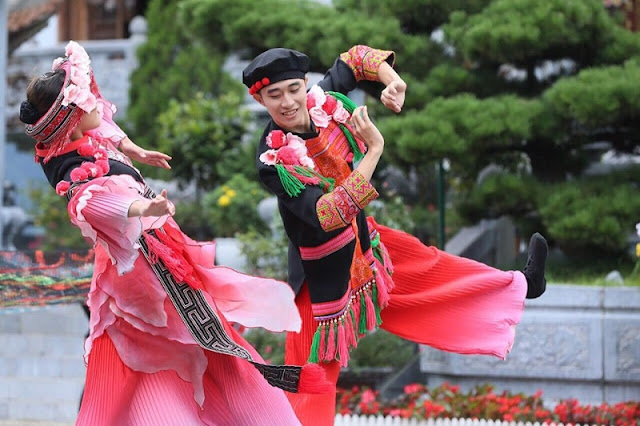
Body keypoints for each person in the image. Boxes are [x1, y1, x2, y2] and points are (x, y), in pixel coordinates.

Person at [19, 41, 327, 426]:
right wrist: (143, 208)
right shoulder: (75, 175)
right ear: (72, 120)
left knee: (223, 357)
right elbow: (93, 204)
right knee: (155, 371)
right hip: (138, 281)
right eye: (87, 102)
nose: (97, 101)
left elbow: (108, 127)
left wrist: (137, 150)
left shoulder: (87, 137)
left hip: (168, 262)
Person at [242, 45, 548, 425]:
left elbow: (354, 60)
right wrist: (374, 149)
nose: (288, 102)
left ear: (305, 84)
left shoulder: (322, 101)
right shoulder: (272, 161)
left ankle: (521, 286)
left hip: (366, 242)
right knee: (312, 380)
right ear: (259, 98)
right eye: (274, 95)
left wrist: (393, 82)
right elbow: (328, 214)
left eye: (293, 89)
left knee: (431, 264)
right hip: (319, 275)